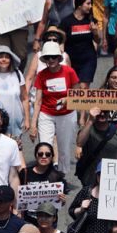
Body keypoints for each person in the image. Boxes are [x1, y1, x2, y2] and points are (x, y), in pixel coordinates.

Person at [30, 41, 80, 173]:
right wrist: (33, 124)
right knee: (45, 148)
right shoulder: (41, 75)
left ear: (59, 58)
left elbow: (79, 96)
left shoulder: (69, 72)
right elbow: (38, 101)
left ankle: (61, 177)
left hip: (67, 114)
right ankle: (46, 176)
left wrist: (67, 99)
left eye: (54, 56)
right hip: (47, 114)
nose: (51, 60)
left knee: (64, 148)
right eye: (47, 57)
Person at [59, 0, 99, 118]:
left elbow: (98, 41)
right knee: (73, 87)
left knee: (84, 87)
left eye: (91, 3)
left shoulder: (92, 20)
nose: (90, 6)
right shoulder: (67, 21)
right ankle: (69, 113)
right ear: (79, 5)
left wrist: (95, 32)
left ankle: (82, 117)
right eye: (88, 3)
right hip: (72, 60)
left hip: (88, 58)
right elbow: (61, 40)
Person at [68, 163, 111, 233]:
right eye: (101, 175)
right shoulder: (86, 192)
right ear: (97, 177)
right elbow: (71, 211)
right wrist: (81, 209)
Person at [76, 108, 117, 187]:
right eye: (98, 112)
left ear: (109, 112)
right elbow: (79, 143)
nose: (102, 114)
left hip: (112, 179)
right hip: (90, 179)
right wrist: (90, 121)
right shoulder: (88, 129)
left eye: (105, 111)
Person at [18, 144, 66, 224]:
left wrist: (62, 200)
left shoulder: (57, 176)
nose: (44, 156)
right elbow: (18, 197)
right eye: (40, 154)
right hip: (28, 222)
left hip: (49, 224)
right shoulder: (25, 173)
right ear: (36, 155)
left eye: (47, 154)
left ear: (52, 157)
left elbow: (60, 202)